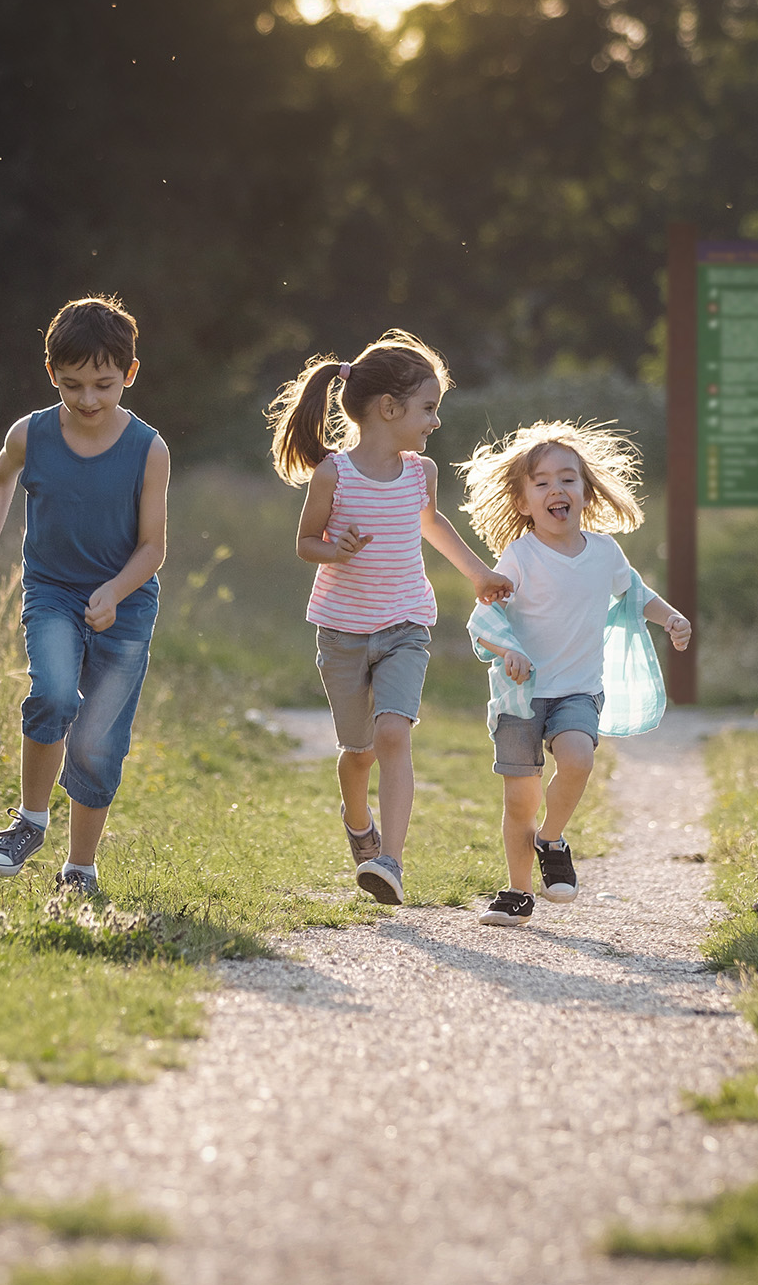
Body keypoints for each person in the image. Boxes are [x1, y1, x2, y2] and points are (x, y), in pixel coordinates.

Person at [266, 331, 512, 906]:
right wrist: (336, 549)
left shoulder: (419, 473)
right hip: (343, 631)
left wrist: (478, 574)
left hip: (405, 624)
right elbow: (305, 543)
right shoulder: (333, 474)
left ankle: (390, 861)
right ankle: (359, 824)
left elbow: (433, 526)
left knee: (393, 734)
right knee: (359, 753)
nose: (434, 421)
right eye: (429, 409)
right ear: (388, 409)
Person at [0, 295, 169, 897]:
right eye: (72, 384)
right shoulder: (31, 434)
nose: (87, 400)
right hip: (51, 591)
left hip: (125, 606)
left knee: (98, 741)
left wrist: (114, 590)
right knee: (52, 693)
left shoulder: (148, 449)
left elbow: (153, 547)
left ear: (129, 375)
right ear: (51, 373)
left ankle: (80, 867)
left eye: (104, 385)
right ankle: (29, 822)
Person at [456, 421, 691, 927]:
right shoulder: (520, 556)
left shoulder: (605, 552)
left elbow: (636, 595)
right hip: (520, 695)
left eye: (567, 479)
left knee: (579, 760)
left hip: (578, 690)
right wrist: (509, 649)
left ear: (586, 491)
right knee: (520, 799)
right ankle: (518, 893)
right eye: (540, 482)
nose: (555, 490)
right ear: (522, 502)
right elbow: (485, 618)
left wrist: (670, 617)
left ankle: (551, 839)